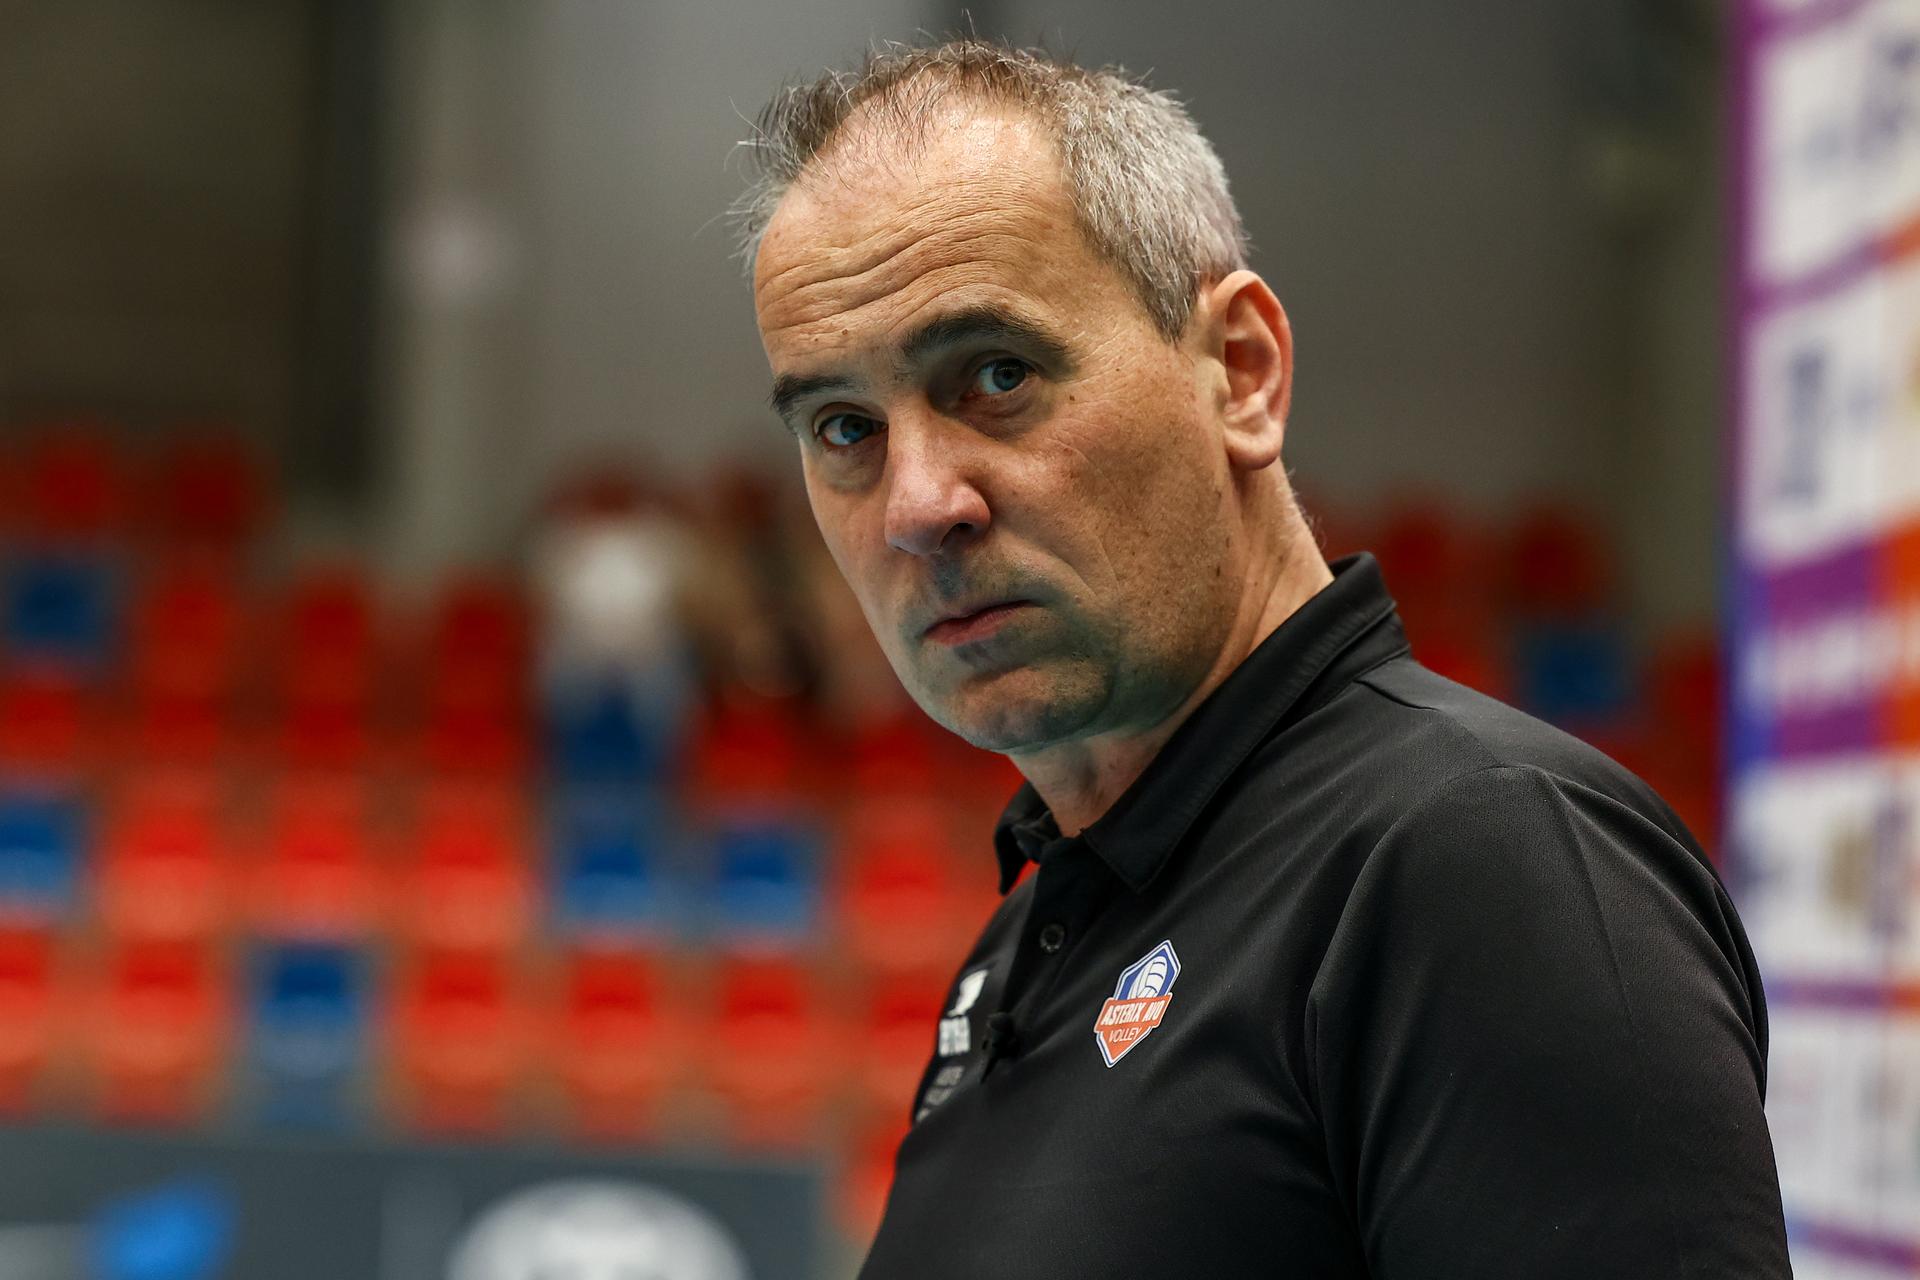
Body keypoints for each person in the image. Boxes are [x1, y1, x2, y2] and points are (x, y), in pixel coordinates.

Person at [735, 39, 1790, 1279]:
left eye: (998, 375)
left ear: (1241, 371)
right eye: (845, 427)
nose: (919, 501)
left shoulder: (1482, 862)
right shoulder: (1036, 935)